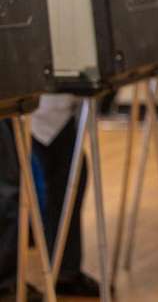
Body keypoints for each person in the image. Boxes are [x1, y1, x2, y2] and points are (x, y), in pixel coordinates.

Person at [0, 95, 100, 302]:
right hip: (21, 93)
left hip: (46, 94)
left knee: (71, 172)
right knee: (11, 187)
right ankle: (7, 283)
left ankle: (64, 271)